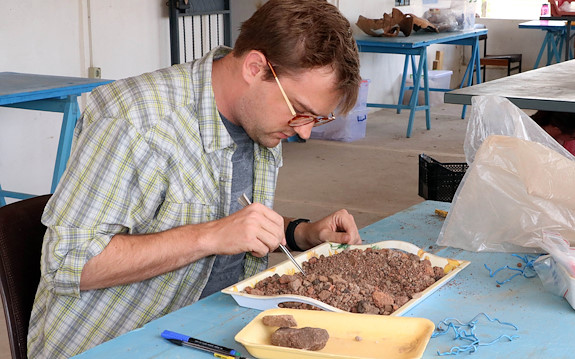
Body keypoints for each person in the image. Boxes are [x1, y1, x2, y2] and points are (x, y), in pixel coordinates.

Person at [27, 1, 362, 357]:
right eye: (301, 112)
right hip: (114, 343)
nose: (305, 132)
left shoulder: (259, 118)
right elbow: (67, 262)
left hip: (212, 329)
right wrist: (210, 237)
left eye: (317, 119)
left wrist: (300, 232)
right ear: (255, 67)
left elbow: (232, 213)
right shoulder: (135, 122)